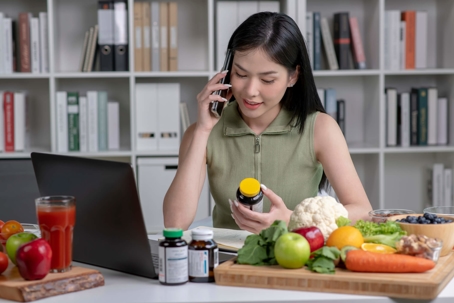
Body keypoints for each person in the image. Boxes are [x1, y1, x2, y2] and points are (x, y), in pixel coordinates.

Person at [163, 12, 372, 234]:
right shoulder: (204, 132)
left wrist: (292, 219)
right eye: (240, 74)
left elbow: (363, 212)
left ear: (293, 76)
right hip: (226, 263)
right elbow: (175, 222)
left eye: (267, 80)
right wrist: (203, 130)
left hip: (293, 262)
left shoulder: (320, 128)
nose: (251, 91)